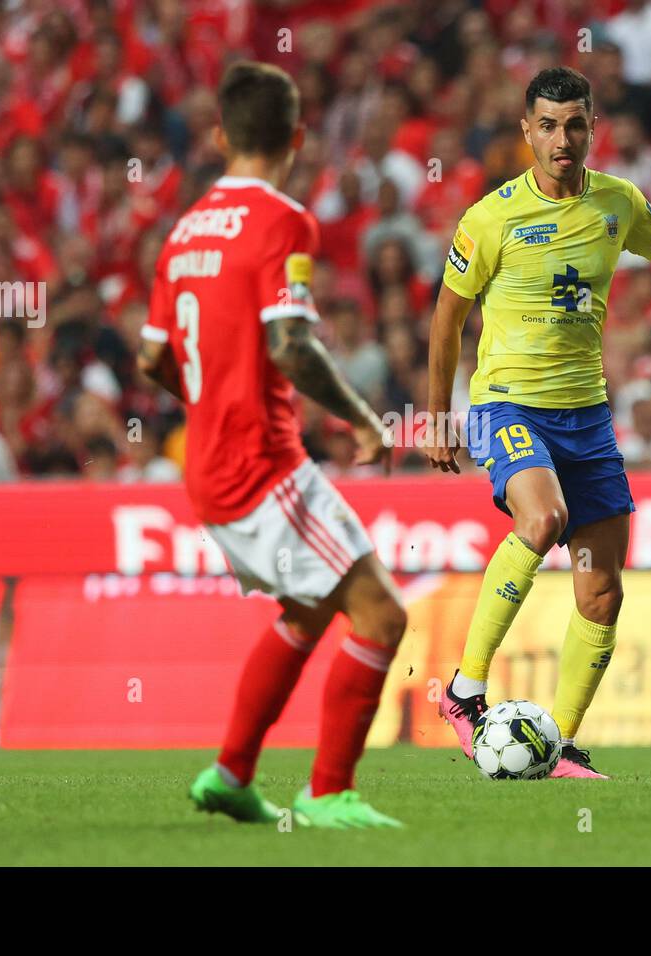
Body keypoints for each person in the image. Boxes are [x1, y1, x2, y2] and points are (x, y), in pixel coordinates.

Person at [422, 67, 651, 778]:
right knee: (542, 519)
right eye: (549, 125)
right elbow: (446, 321)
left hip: (586, 417)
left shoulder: (620, 204)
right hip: (509, 404)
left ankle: (556, 743)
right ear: (527, 131)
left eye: (576, 124)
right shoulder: (490, 218)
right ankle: (464, 690)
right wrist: (437, 416)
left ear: (593, 129)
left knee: (602, 590)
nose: (563, 138)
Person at [137, 62, 405, 829]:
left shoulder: (182, 233)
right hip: (263, 463)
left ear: (220, 135)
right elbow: (290, 344)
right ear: (296, 137)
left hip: (208, 469)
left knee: (308, 610)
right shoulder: (284, 220)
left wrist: (213, 396)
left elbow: (154, 360)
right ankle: (327, 795)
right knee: (383, 618)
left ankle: (229, 774)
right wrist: (362, 418)